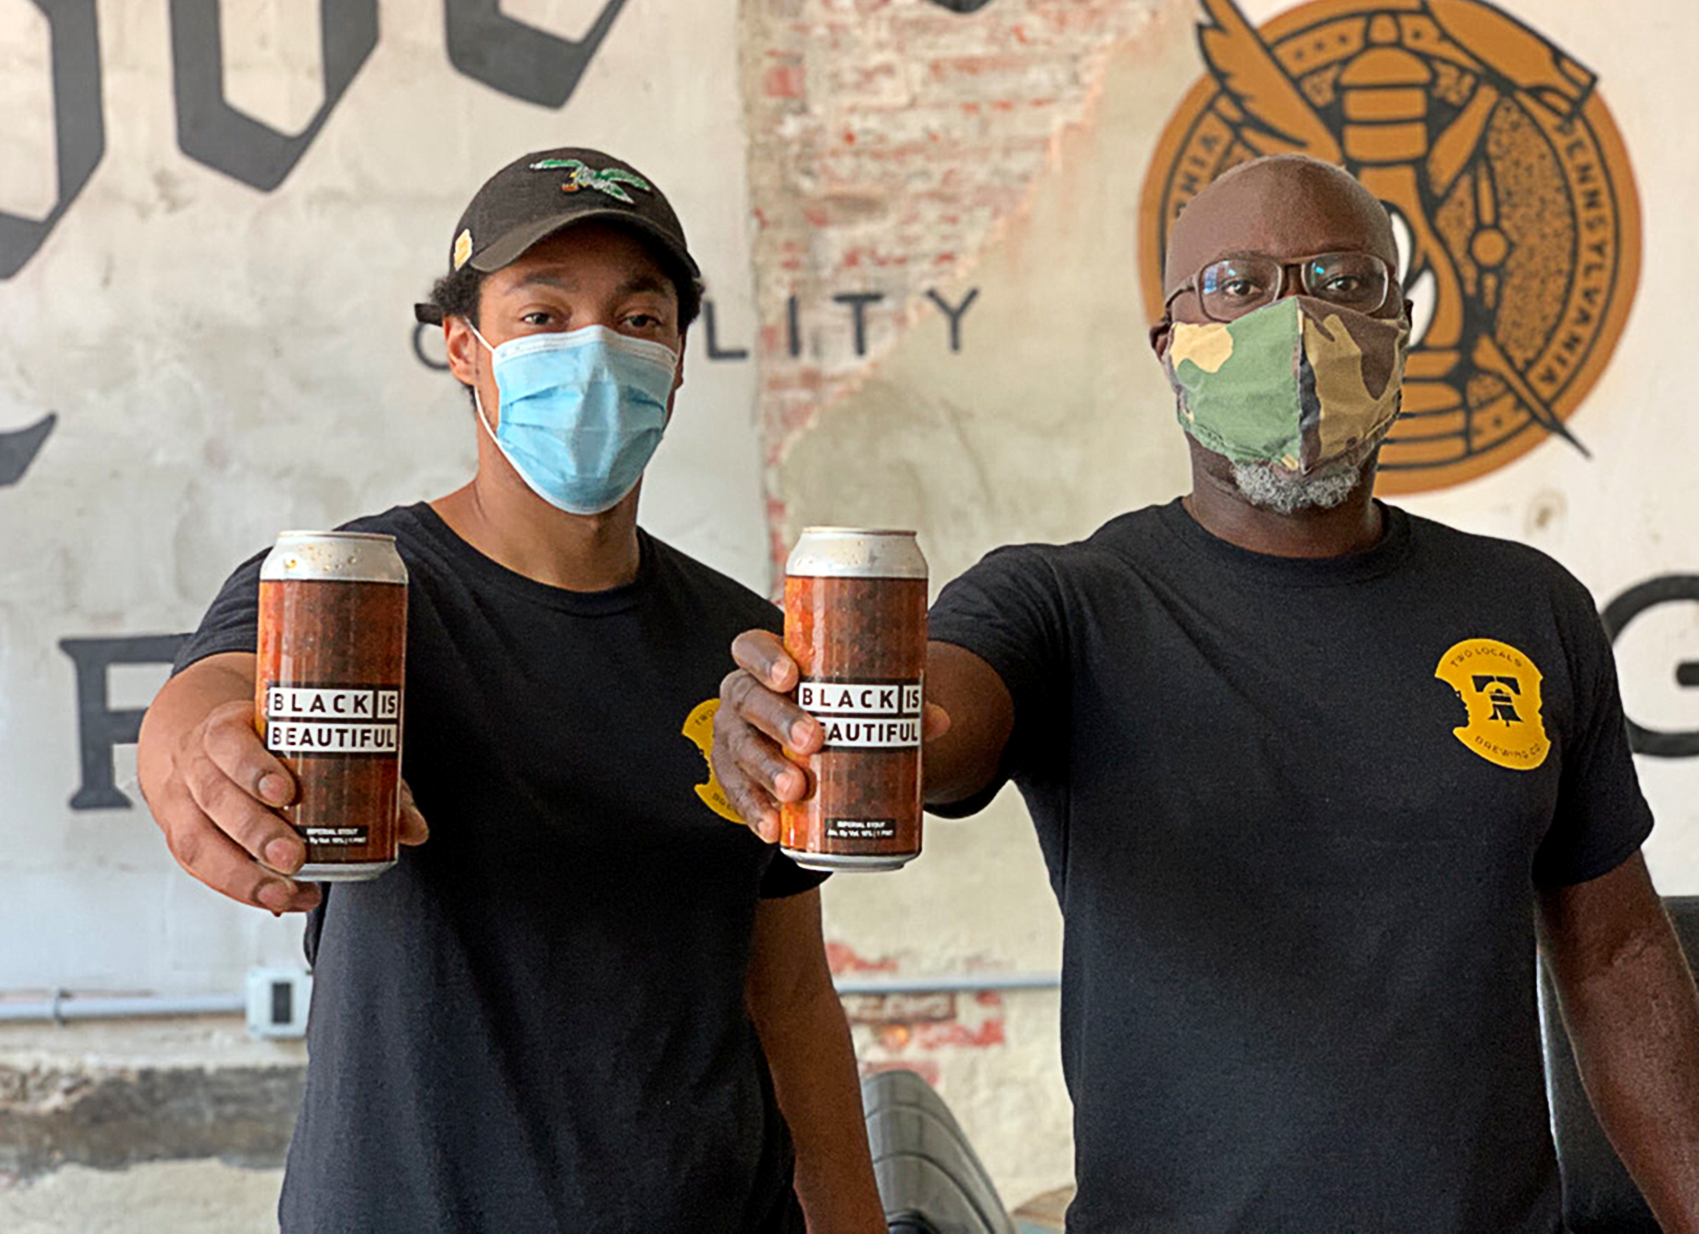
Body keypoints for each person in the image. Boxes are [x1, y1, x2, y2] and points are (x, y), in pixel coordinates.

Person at [713, 155, 1699, 1232]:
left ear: (1398, 327)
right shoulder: (1068, 604)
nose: (1298, 321)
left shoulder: (1526, 607)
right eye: (1237, 285)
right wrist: (840, 722)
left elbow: (1615, 956)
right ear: (1171, 349)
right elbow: (947, 718)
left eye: (1342, 282)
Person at [137, 148, 885, 1233]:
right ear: (463, 349)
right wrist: (199, 757)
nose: (595, 349)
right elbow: (206, 702)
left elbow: (790, 996)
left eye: (638, 318)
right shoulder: (352, 600)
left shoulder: (748, 648)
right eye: (542, 314)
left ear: (677, 363)